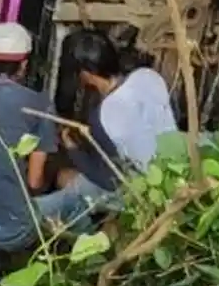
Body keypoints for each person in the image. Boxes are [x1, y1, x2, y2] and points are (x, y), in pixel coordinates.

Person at [0, 22, 96, 280]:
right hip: (12, 230)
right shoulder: (38, 106)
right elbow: (34, 183)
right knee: (79, 196)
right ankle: (87, 265)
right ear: (23, 64)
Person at [60, 29, 178, 178]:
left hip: (146, 188)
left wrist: (72, 150)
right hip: (178, 168)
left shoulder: (103, 115)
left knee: (63, 178)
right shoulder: (149, 76)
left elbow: (108, 180)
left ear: (86, 74)